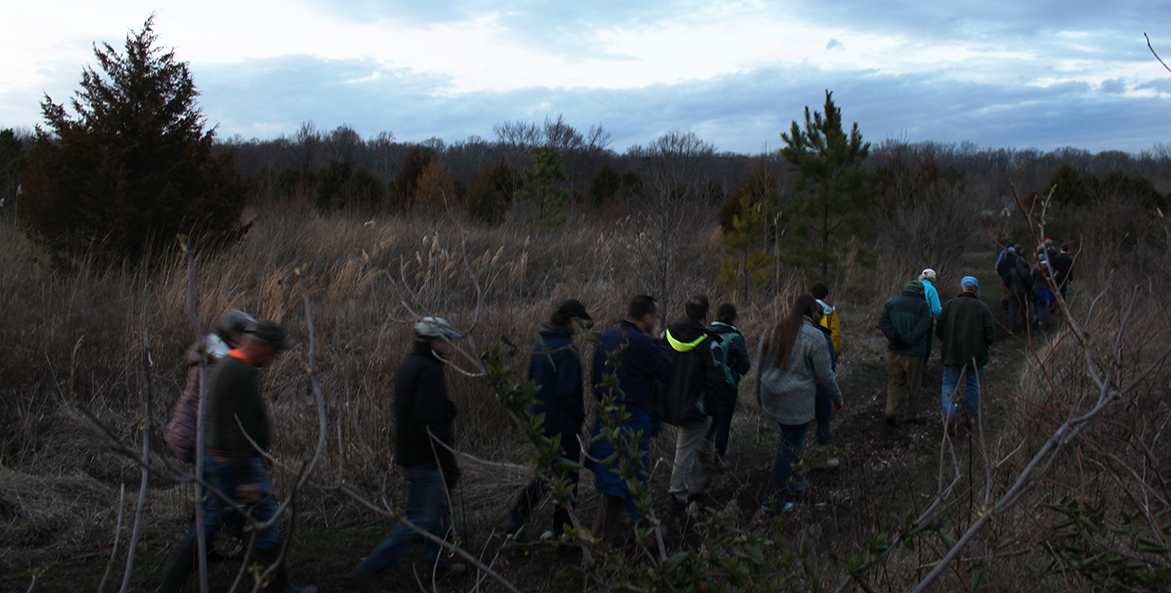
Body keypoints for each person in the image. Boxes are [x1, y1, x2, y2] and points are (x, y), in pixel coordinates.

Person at [156, 320, 315, 593]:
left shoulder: (229, 365)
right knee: (265, 520)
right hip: (233, 463)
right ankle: (281, 586)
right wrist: (248, 477)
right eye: (274, 351)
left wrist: (256, 452)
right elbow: (234, 428)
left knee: (207, 526)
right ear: (263, 345)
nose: (275, 357)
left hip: (221, 460)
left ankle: (168, 586)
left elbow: (226, 424)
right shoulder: (238, 372)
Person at [350, 317, 464, 592]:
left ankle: (436, 565)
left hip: (412, 454)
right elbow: (430, 419)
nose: (448, 345)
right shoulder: (429, 371)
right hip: (426, 457)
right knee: (420, 520)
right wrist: (445, 451)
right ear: (432, 341)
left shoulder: (411, 365)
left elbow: (419, 411)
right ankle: (370, 568)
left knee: (431, 510)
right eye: (444, 339)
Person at [585, 295, 674, 540]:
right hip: (631, 424)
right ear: (647, 318)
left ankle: (647, 528)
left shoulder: (608, 336)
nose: (657, 321)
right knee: (622, 486)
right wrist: (656, 340)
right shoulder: (641, 342)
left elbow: (595, 381)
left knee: (626, 483)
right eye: (656, 317)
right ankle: (598, 550)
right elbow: (667, 371)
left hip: (607, 419)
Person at [503, 299, 592, 537]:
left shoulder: (541, 344)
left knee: (547, 474)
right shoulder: (566, 349)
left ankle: (517, 519)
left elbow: (531, 380)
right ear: (573, 320)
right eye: (579, 322)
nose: (579, 328)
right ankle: (564, 533)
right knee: (568, 477)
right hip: (563, 424)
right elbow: (568, 392)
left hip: (541, 420)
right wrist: (578, 420)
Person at [757, 294, 842, 512]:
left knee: (789, 440)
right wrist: (837, 397)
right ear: (813, 313)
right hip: (795, 401)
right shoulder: (815, 337)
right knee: (790, 447)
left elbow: (760, 366)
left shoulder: (773, 329)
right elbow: (825, 375)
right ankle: (772, 500)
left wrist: (758, 395)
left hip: (771, 395)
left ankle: (796, 483)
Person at [165, 309, 256, 463]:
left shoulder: (218, 359)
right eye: (248, 335)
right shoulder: (215, 365)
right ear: (234, 335)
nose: (252, 341)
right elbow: (208, 413)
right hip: (200, 443)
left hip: (198, 439)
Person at [661, 295, 724, 510]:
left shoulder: (667, 335)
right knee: (686, 449)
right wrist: (714, 410)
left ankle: (696, 482)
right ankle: (678, 496)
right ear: (707, 316)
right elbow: (716, 380)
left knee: (688, 445)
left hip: (671, 403)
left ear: (686, 312)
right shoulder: (709, 343)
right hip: (695, 407)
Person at [936, 277, 996, 433]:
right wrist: (983, 346)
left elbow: (939, 328)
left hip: (952, 353)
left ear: (962, 287)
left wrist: (948, 343)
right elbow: (990, 333)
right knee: (973, 384)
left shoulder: (950, 304)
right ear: (976, 289)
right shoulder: (982, 307)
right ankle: (966, 416)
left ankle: (950, 415)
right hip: (975, 355)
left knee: (949, 384)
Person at [703, 303, 751, 470]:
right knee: (723, 421)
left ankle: (701, 448)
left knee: (709, 419)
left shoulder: (704, 333)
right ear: (734, 317)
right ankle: (719, 459)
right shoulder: (735, 338)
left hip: (705, 385)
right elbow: (745, 367)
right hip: (726, 386)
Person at [878, 281, 932, 425]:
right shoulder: (923, 306)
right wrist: (908, 340)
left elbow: (882, 321)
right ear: (921, 292)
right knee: (914, 384)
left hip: (894, 351)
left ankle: (891, 412)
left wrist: (895, 338)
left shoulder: (891, 303)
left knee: (895, 382)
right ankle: (911, 415)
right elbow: (923, 326)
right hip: (915, 352)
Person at [808, 304, 840, 470]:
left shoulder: (795, 334)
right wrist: (836, 395)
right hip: (821, 389)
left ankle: (794, 459)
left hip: (800, 389)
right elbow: (830, 370)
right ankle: (820, 458)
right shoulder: (824, 338)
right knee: (823, 421)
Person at [1005, 252, 1035, 335]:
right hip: (1023, 294)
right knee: (1024, 311)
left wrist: (1010, 288)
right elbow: (1030, 284)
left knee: (1012, 311)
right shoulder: (1026, 272)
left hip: (1012, 293)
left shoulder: (1011, 270)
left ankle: (1011, 329)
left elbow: (1006, 281)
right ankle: (1025, 329)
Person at [810, 282, 842, 360]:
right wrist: (835, 353)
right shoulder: (830, 311)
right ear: (825, 295)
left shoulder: (805, 307)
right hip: (825, 349)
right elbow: (835, 332)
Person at [919, 268, 943, 368]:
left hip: (912, 321)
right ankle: (922, 369)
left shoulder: (913, 286)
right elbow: (937, 309)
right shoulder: (931, 289)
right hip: (927, 322)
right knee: (926, 346)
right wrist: (941, 320)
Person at [1031, 257, 1055, 328]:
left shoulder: (1035, 267)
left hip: (1036, 288)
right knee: (1042, 306)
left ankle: (1035, 316)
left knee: (1034, 303)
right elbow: (1052, 278)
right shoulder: (1049, 268)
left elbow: (1031, 277)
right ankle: (1041, 322)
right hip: (1045, 288)